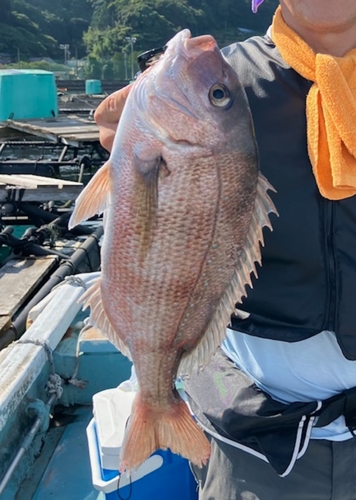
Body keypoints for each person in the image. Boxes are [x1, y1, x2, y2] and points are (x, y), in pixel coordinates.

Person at [94, 1, 356, 498]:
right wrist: (126, 138)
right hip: (251, 429)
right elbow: (120, 140)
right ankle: (160, 406)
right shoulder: (225, 75)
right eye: (218, 96)